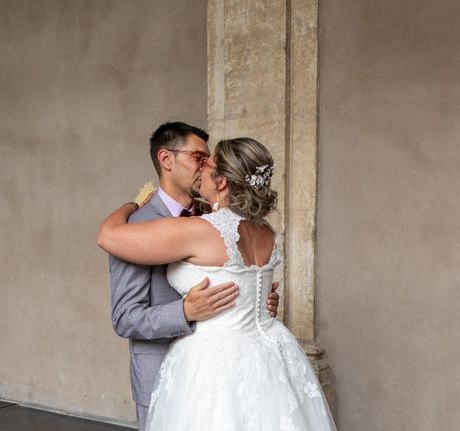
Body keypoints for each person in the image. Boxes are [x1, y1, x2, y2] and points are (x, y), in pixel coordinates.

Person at [98, 137, 336, 430]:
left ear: (222, 181)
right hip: (267, 357)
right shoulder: (266, 232)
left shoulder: (199, 230)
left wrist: (129, 206)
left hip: (212, 365)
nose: (200, 167)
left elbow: (107, 236)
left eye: (207, 163)